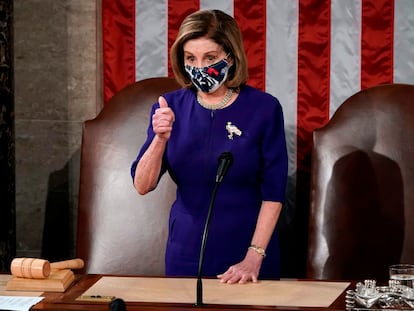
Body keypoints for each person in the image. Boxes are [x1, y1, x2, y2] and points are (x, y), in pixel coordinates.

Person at [131, 9, 288, 284]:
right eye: (191, 58)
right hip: (186, 254)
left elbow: (274, 193)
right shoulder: (169, 107)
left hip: (249, 254)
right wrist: (159, 138)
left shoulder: (264, 109)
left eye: (210, 58)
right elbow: (142, 185)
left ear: (231, 56)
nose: (200, 67)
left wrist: (254, 256)